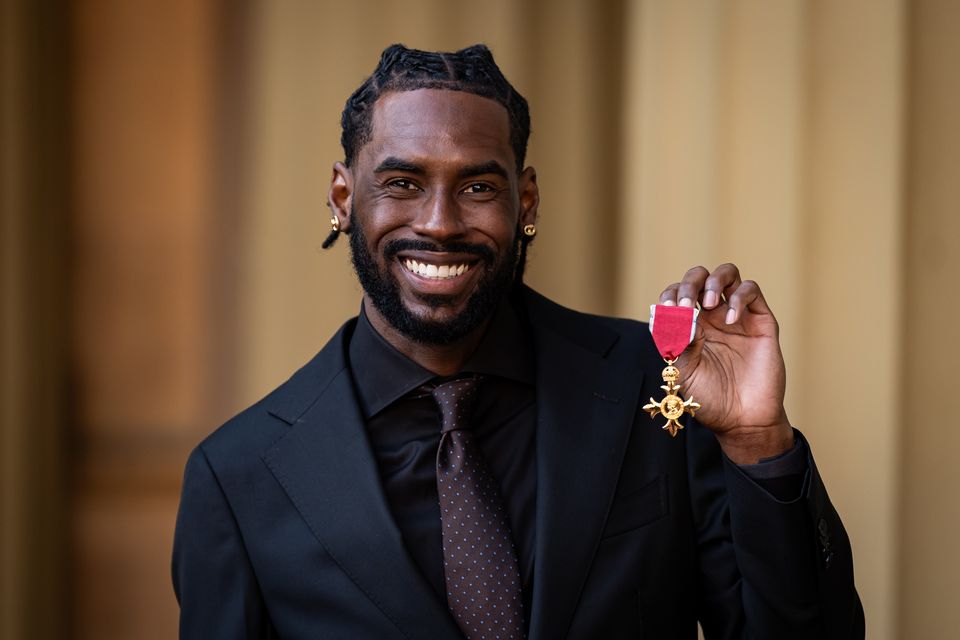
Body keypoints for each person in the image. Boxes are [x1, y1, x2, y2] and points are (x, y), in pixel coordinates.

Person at [172, 44, 864, 639]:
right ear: (343, 197)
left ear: (524, 202)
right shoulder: (240, 478)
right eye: (403, 183)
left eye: (477, 186)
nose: (439, 224)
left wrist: (757, 443)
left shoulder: (660, 387)